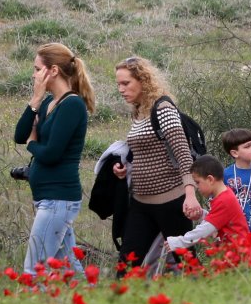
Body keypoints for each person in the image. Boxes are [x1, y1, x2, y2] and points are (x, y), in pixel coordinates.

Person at [14, 42, 94, 276]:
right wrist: (35, 99)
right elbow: (20, 135)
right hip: (47, 199)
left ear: (53, 71)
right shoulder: (48, 102)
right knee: (69, 268)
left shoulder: (72, 105)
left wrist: (32, 143)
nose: (34, 74)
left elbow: (51, 153)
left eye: (37, 69)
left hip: (58, 199)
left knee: (34, 269)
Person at [112, 56, 195, 269]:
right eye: (118, 84)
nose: (121, 89)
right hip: (141, 202)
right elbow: (146, 153)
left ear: (143, 80)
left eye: (126, 83)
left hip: (171, 201)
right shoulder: (139, 112)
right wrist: (125, 170)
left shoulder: (163, 108)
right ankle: (119, 302)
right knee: (127, 264)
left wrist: (190, 195)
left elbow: (183, 154)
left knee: (188, 263)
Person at [166, 156, 250, 256]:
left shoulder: (224, 200)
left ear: (210, 179)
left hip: (240, 255)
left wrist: (179, 242)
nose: (197, 187)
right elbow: (217, 221)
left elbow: (205, 230)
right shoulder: (224, 195)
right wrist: (201, 214)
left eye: (198, 182)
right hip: (236, 253)